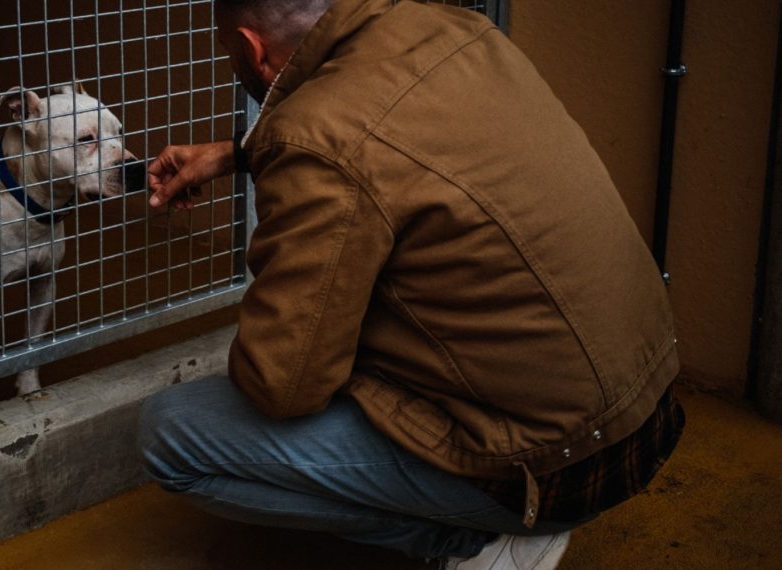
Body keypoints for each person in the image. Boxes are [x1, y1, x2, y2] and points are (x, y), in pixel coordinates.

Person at [138, 0, 685, 568]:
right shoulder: (450, 26)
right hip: (645, 409)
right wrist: (237, 154)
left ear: (253, 49)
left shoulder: (317, 143)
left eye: (231, 53)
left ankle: (474, 545)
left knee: (174, 435)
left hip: (551, 468)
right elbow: (377, 130)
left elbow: (284, 386)